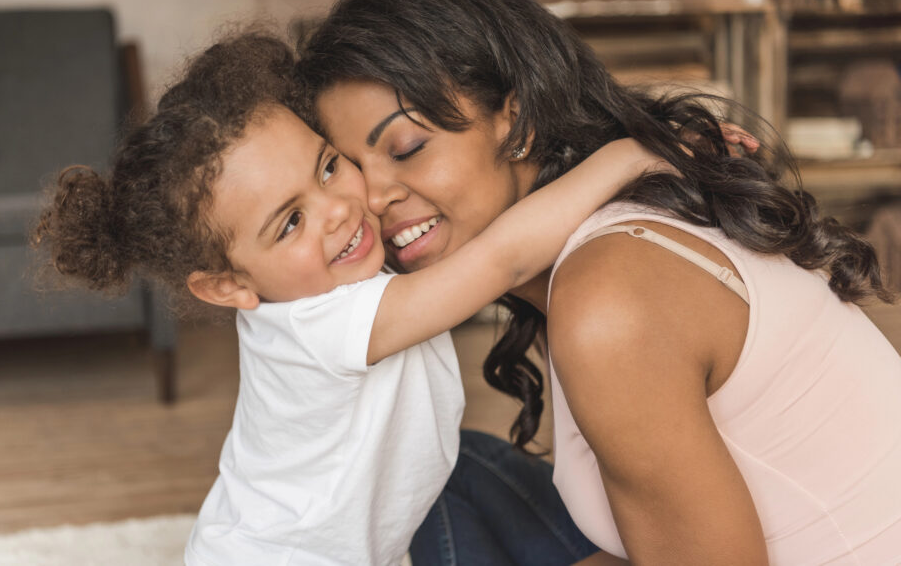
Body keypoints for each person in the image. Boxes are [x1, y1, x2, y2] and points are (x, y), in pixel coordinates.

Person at [296, 0, 901, 564]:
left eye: (406, 149)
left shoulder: (611, 297)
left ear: (519, 120)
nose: (373, 200)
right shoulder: (617, 227)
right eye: (345, 170)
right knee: (442, 472)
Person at [33, 31, 663, 566]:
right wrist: (633, 154)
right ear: (229, 286)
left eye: (329, 166)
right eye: (289, 223)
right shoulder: (323, 322)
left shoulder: (326, 271)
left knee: (471, 461)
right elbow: (503, 256)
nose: (337, 212)